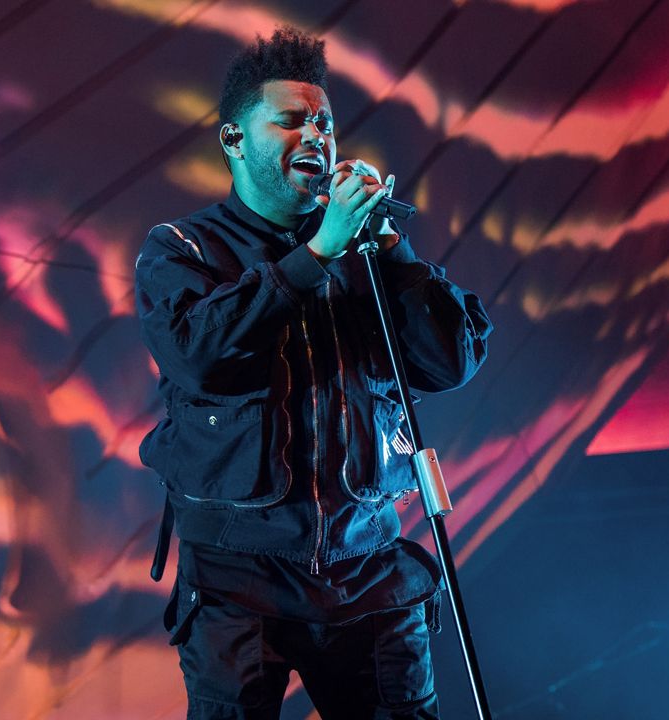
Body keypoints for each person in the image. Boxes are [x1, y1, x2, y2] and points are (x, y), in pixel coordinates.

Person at [134, 27, 492, 720]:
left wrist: (390, 248)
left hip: (367, 564)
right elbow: (199, 354)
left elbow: (451, 362)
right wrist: (317, 253)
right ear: (234, 141)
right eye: (291, 121)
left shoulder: (367, 252)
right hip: (241, 576)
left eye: (324, 121)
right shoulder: (183, 248)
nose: (317, 136)